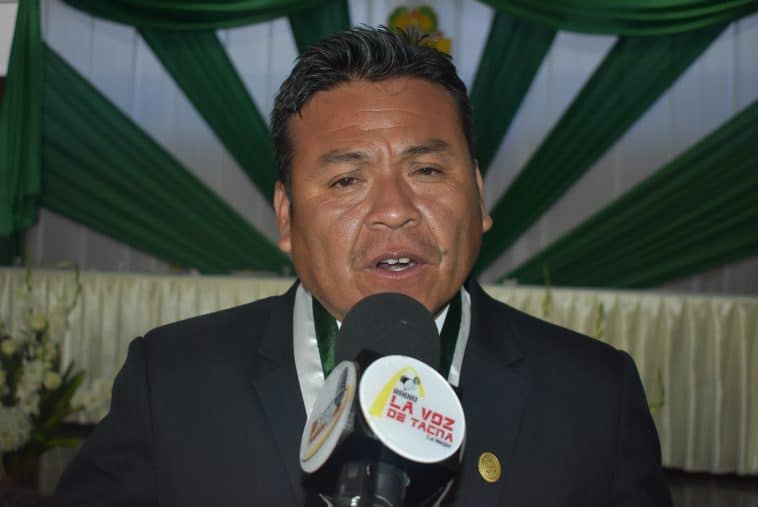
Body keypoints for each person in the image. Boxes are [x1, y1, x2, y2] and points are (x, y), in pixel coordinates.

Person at [54, 26, 672, 506]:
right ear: (287, 215)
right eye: (347, 179)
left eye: (426, 170)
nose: (395, 210)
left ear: (479, 195)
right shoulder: (173, 382)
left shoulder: (593, 394)